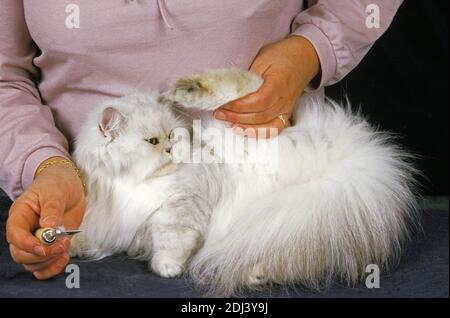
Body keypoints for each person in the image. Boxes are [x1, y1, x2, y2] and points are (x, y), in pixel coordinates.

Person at [0, 0, 403, 279]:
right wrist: (43, 166)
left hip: (264, 166)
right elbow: (5, 77)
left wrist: (311, 47)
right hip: (93, 200)